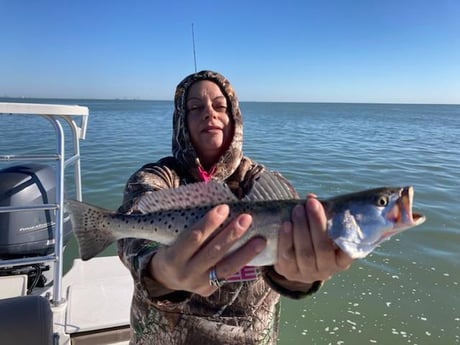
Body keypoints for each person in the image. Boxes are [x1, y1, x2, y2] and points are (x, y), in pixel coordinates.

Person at [117, 70, 353, 344]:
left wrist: (302, 275)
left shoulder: (267, 184)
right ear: (180, 119)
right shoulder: (158, 177)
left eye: (220, 106)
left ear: (235, 117)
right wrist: (160, 269)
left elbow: (283, 263)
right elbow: (131, 231)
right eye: (195, 108)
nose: (210, 113)